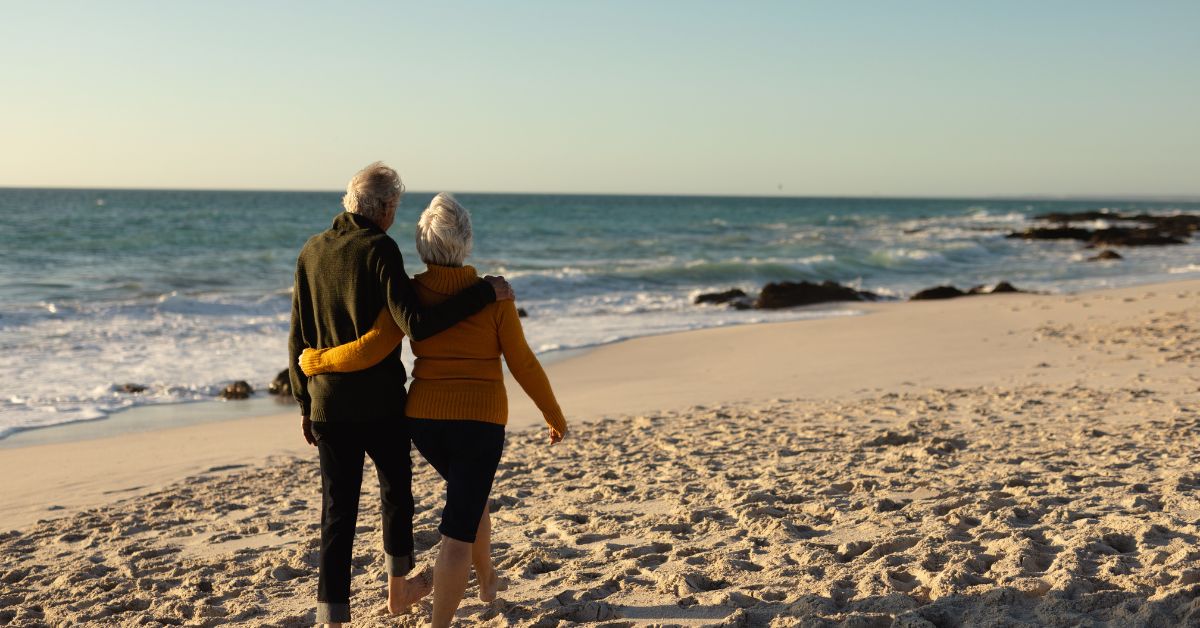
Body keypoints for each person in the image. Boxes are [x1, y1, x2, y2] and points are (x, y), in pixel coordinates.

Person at [299, 192, 567, 628]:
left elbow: (372, 348)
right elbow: (523, 363)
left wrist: (316, 361)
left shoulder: (409, 295)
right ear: (466, 242)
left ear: (423, 244)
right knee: (456, 533)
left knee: (470, 496)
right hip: (479, 424)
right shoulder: (494, 296)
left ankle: (487, 582)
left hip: (422, 422)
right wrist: (553, 414)